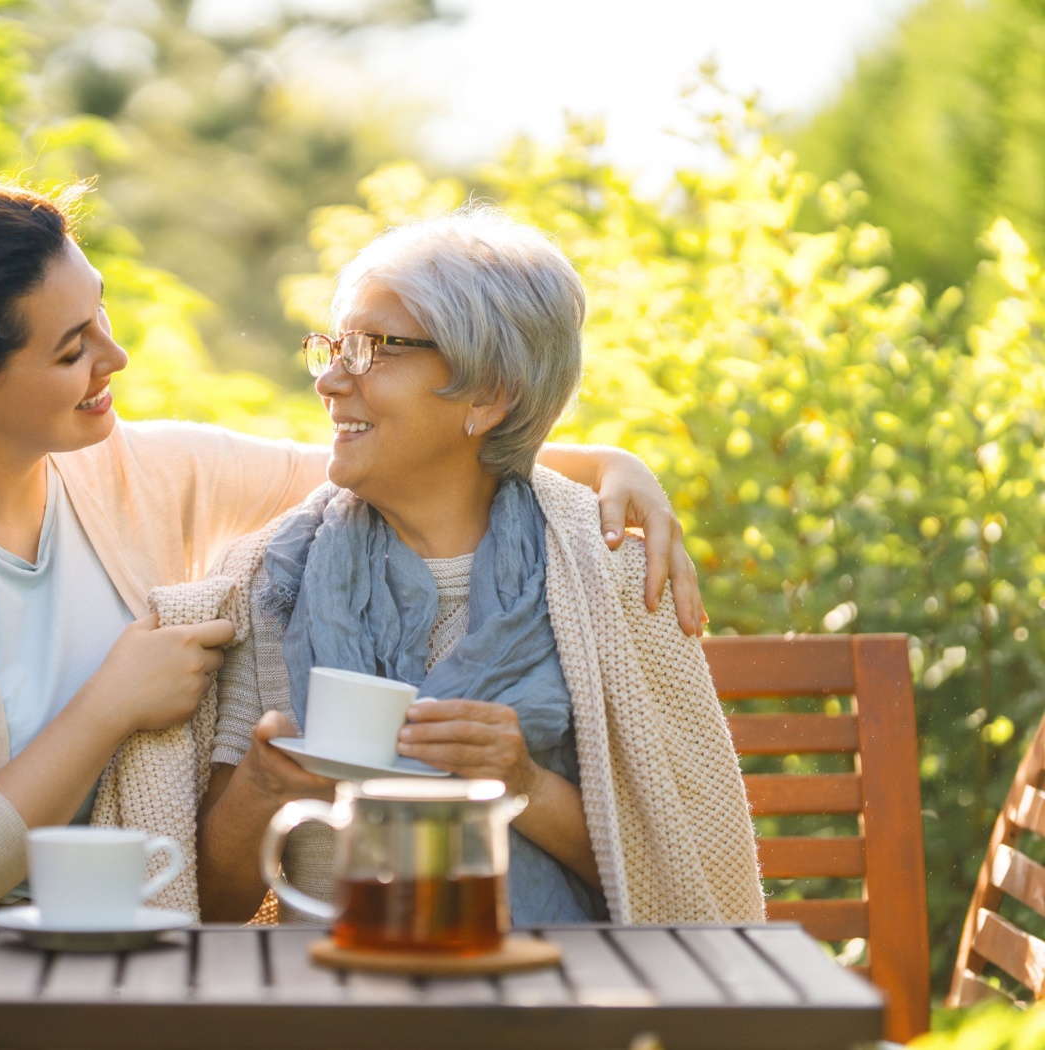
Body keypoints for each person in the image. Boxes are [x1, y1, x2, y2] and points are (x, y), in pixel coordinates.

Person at [0, 178, 703, 1041]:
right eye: (71, 349)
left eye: (99, 314)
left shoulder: (134, 470)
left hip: (89, 963)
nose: (117, 357)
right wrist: (109, 707)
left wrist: (613, 465)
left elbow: (383, 454)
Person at [198, 206, 764, 927]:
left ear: (489, 395)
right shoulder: (275, 578)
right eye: (335, 347)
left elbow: (681, 875)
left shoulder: (610, 569)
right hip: (342, 1008)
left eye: (374, 349)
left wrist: (519, 781)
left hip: (561, 1007)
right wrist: (259, 786)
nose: (331, 381)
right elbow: (212, 908)